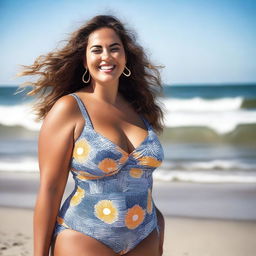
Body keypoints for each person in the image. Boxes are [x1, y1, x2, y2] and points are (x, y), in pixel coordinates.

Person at [18, 15, 165, 256]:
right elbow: (50, 189)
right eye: (97, 50)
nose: (106, 56)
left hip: (145, 235)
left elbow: (141, 180)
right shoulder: (70, 109)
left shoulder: (140, 110)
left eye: (114, 49)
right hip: (85, 235)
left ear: (126, 57)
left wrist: (158, 225)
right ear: (85, 62)